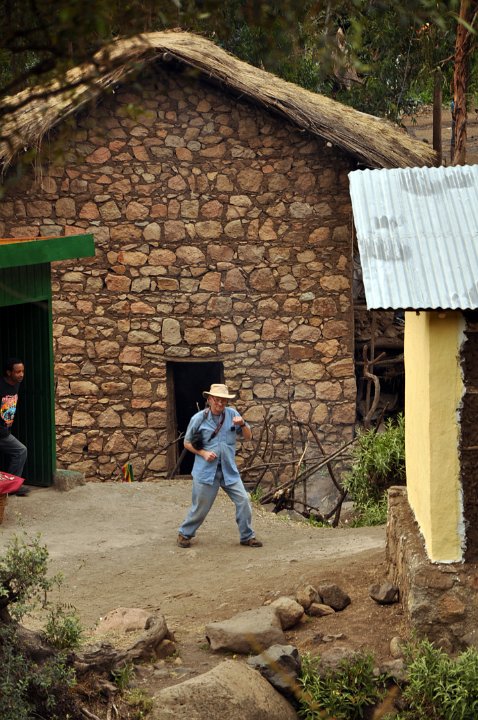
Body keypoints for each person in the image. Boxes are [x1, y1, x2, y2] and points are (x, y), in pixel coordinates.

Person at [177, 383, 262, 548]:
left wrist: (243, 424)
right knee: (200, 507)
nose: (220, 403)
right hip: (206, 472)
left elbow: (248, 437)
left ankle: (247, 536)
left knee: (244, 500)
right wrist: (203, 453)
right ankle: (184, 534)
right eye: (217, 400)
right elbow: (187, 443)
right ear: (209, 399)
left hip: (229, 470)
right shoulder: (198, 419)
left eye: (223, 400)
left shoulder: (233, 415)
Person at [0, 358, 29, 496]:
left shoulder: (16, 384)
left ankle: (11, 486)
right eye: (17, 372)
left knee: (20, 451)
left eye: (22, 371)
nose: (21, 374)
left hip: (5, 431)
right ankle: (10, 487)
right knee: (21, 450)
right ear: (8, 372)